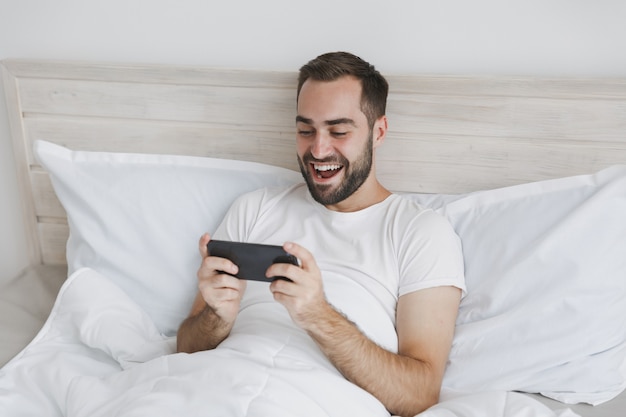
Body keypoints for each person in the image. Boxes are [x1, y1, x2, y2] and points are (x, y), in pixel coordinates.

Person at [177, 51, 466, 417]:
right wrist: (216, 317)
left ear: (378, 132)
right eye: (305, 130)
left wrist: (317, 315)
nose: (318, 149)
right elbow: (184, 350)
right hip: (211, 389)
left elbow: (420, 396)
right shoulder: (254, 208)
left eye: (339, 131)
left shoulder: (420, 232)